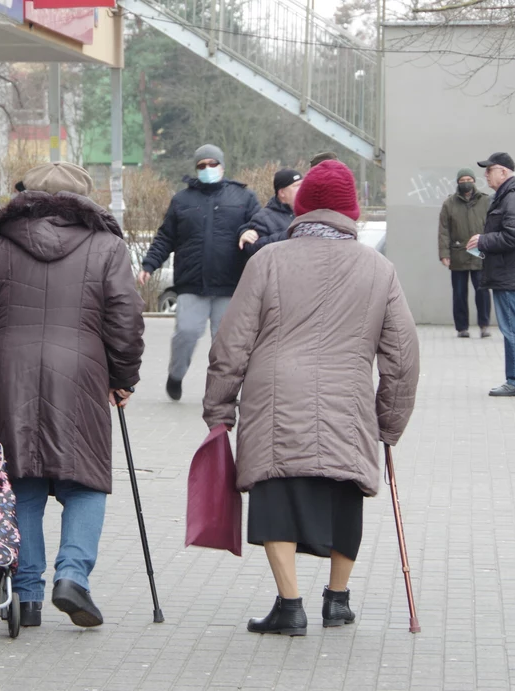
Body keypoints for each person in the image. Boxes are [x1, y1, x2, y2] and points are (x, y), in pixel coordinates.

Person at [203, 160, 420, 636]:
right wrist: (389, 423)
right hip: (349, 401)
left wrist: (219, 408)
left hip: (275, 399)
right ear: (352, 212)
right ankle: (338, 601)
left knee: (274, 493)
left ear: (301, 209)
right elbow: (402, 356)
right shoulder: (379, 269)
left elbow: (232, 342)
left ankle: (290, 605)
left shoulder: (268, 260)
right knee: (345, 492)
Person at [0, 161, 145, 629]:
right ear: (87, 200)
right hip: (81, 369)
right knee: (86, 481)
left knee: (23, 483)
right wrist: (123, 377)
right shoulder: (106, 245)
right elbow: (125, 317)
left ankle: (28, 594)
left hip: (9, 370)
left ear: (25, 194)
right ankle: (72, 578)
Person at [138, 144, 260, 401]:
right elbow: (165, 237)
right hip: (191, 284)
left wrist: (249, 234)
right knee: (186, 332)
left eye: (212, 164)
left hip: (229, 285)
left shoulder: (244, 198)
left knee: (225, 342)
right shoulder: (182, 200)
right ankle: (176, 374)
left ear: (222, 166)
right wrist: (149, 264)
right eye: (201, 165)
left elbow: (259, 227)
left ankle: (224, 389)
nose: (207, 169)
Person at [467, 152, 515, 397]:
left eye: (489, 170)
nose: (485, 175)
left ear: (504, 172)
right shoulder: (508, 196)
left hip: (509, 274)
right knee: (511, 328)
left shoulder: (514, 198)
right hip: (506, 272)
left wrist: (484, 240)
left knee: (512, 329)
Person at [438, 168, 492, 338]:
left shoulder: (486, 201)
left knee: (482, 291)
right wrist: (444, 254)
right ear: (458, 183)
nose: (466, 182)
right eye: (462, 180)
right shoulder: (449, 204)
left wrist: (491, 247)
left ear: (474, 181)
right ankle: (462, 328)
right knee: (459, 293)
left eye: (469, 179)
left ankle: (484, 325)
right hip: (458, 254)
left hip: (480, 254)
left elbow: (492, 225)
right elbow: (443, 231)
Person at [238, 168, 302, 256]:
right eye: (296, 186)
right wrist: (288, 235)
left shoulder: (307, 213)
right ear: (282, 192)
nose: (302, 189)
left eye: (303, 184)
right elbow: (253, 249)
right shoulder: (263, 218)